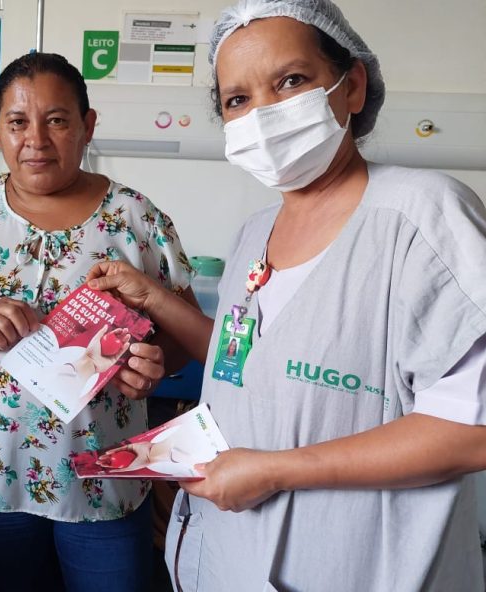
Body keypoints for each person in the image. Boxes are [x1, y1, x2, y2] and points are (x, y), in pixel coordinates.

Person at [86, 0, 486, 589]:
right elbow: (244, 360)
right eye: (238, 100)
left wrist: (273, 471)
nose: (263, 114)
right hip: (227, 555)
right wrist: (151, 296)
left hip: (356, 563)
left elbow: (471, 429)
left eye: (291, 81)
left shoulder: (422, 216)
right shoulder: (255, 235)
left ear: (351, 86)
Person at [0, 52, 206, 592]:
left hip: (102, 470)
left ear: (88, 125)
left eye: (57, 120)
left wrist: (157, 367)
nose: (35, 140)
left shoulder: (136, 218)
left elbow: (186, 332)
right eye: (17, 122)